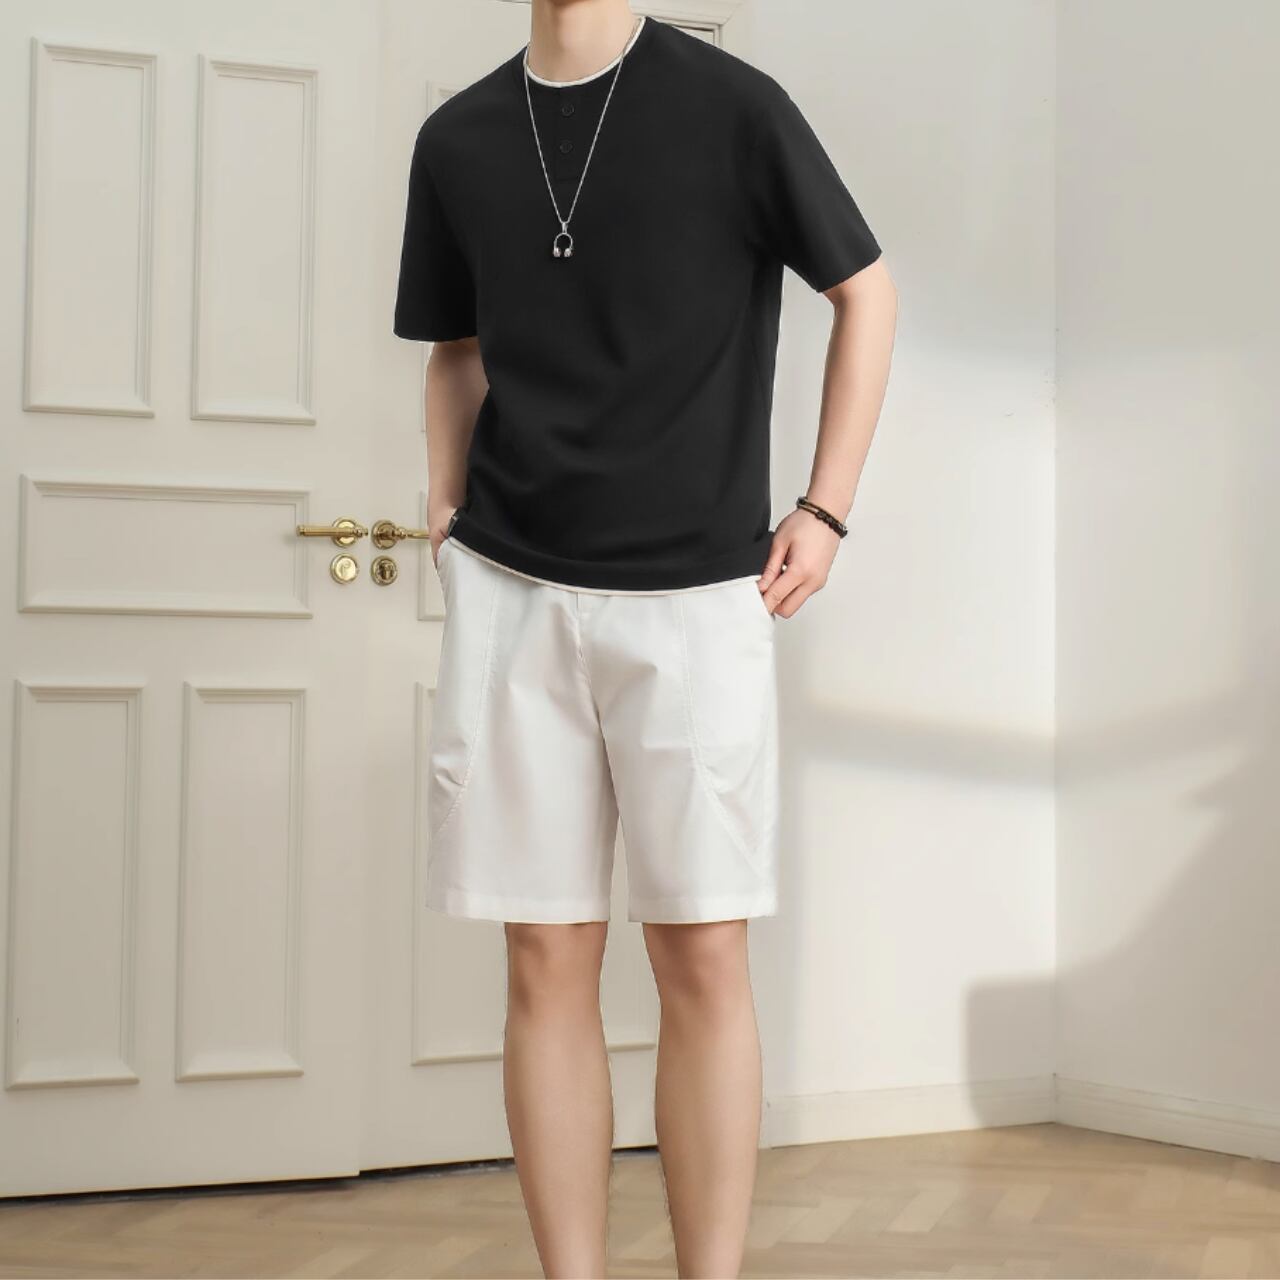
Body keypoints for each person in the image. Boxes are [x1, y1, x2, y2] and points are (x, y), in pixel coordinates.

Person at [393, 2, 897, 1275]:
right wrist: (444, 505)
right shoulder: (458, 137)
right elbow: (455, 349)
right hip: (510, 590)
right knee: (542, 956)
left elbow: (864, 291)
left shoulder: (731, 106)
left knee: (702, 952)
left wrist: (825, 508)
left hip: (695, 597)